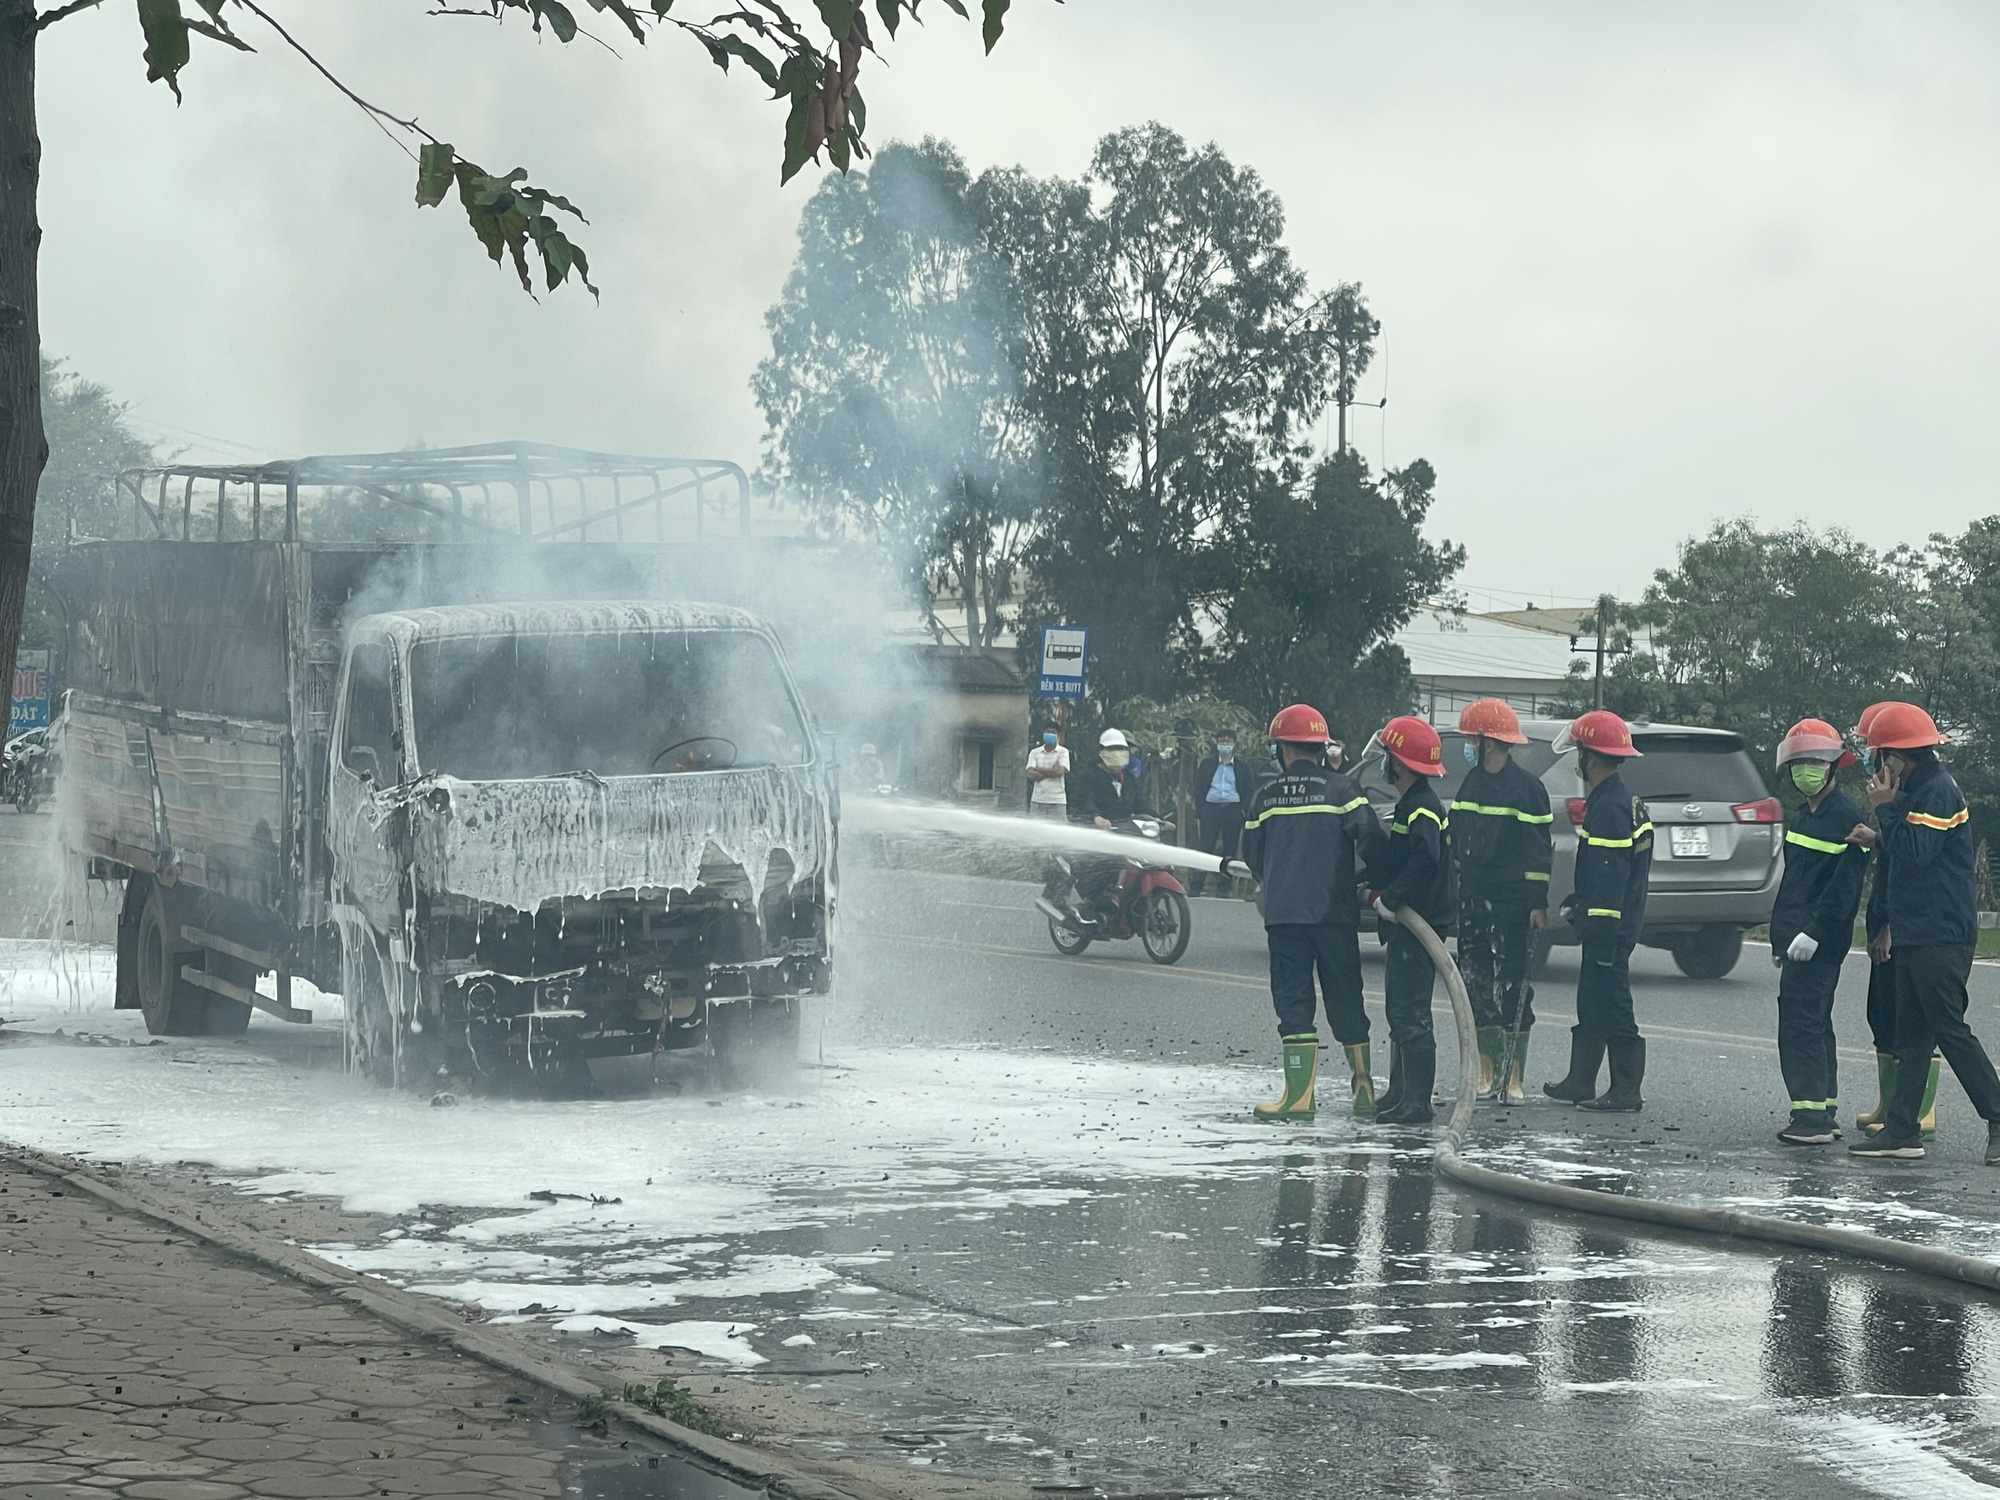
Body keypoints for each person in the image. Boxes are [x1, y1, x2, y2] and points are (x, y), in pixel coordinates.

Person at [1846, 703, 2000, 1164]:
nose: (1876, 767)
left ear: (1896, 756)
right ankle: (1901, 1131)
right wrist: (1884, 830)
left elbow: (1916, 855)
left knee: (1950, 1030)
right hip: (1918, 930)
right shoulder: (1917, 786)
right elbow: (1905, 854)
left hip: (1940, 933)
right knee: (1912, 1035)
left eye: (1878, 757)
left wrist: (1885, 813)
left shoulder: (1934, 790)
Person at [1239, 703, 1384, 1121]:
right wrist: (1369, 881)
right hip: (1335, 914)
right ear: (1322, 748)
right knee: (1346, 998)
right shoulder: (1343, 791)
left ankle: (1299, 1098)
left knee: (1294, 1002)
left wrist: (1279, 878)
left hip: (1286, 916)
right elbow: (1371, 839)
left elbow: (1254, 856)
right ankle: (1363, 1089)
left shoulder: (1265, 795)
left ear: (1282, 748)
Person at [1544, 709, 1653, 1112]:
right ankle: (1580, 1081)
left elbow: (1610, 880)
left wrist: (1600, 928)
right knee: (1591, 1000)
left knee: (1612, 1001)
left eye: (1580, 752)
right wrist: (1578, 902)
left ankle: (1626, 1090)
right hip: (1608, 922)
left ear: (1590, 756)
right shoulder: (1621, 800)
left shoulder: (1608, 807)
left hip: (1609, 928)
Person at [1767, 718, 1868, 1146]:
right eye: (1798, 762)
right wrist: (1781, 936)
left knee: (1802, 1024)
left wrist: (1813, 934)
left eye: (1814, 761)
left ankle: (1811, 1119)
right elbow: (1794, 886)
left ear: (1833, 767)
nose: (1805, 770)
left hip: (1818, 941)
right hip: (1795, 938)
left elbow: (1843, 890)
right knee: (1812, 1021)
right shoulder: (1802, 818)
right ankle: (1821, 1108)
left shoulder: (1844, 818)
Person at [1449, 699, 1552, 1106]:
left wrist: (1537, 903)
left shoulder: (1528, 790)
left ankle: (1512, 1077)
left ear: (1488, 742)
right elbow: (1457, 841)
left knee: (1514, 990)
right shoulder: (1470, 784)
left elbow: (1538, 854)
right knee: (1476, 986)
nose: (1469, 747)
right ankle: (1486, 1072)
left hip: (1513, 908)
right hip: (1473, 904)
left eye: (1472, 740)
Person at [1849, 702, 1940, 1139]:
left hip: (1904, 926)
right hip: (1888, 919)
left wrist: (1887, 927)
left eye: (1879, 754)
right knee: (1882, 1017)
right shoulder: (1896, 798)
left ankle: (1919, 1111)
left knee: (1918, 1024)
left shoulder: (1913, 798)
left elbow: (1910, 864)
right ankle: (1891, 1106)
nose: (1874, 763)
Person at [1363, 715, 1455, 1126]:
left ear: (1398, 764)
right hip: (1410, 921)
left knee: (1412, 1013)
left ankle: (1417, 1103)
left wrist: (1393, 898)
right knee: (1400, 1011)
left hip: (1420, 922)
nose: (1384, 764)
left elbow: (1425, 859)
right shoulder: (1413, 803)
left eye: (1387, 757)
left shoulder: (1422, 808)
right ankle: (1400, 1092)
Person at [1064, 727, 1153, 924]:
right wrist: (1095, 817)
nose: (1119, 754)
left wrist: (1158, 819)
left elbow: (1140, 805)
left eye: (1122, 749)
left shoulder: (1129, 779)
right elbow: (1083, 801)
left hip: (1121, 829)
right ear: (1102, 752)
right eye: (1113, 749)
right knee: (1102, 862)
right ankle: (1089, 904)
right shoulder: (1089, 775)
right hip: (1091, 828)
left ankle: (1122, 894)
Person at [1189, 730, 1248, 897]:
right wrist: (1200, 809)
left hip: (1233, 810)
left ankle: (1223, 888)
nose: (1225, 743)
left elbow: (1249, 790)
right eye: (1222, 740)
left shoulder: (1242, 766)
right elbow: (1199, 788)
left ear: (1234, 743)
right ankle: (1196, 886)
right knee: (1205, 847)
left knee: (1229, 850)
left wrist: (1243, 811)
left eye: (1228, 740)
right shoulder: (1207, 764)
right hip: (1211, 809)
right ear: (1216, 742)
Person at [1025, 726, 1071, 821]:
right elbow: (1030, 774)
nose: (1049, 734)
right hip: (1038, 800)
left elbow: (1059, 772)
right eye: (1047, 732)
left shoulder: (1063, 752)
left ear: (1058, 735)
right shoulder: (1035, 752)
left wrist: (1038, 769)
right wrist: (1052, 771)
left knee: (1059, 832)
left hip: (1057, 800)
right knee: (1035, 831)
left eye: (1052, 732)